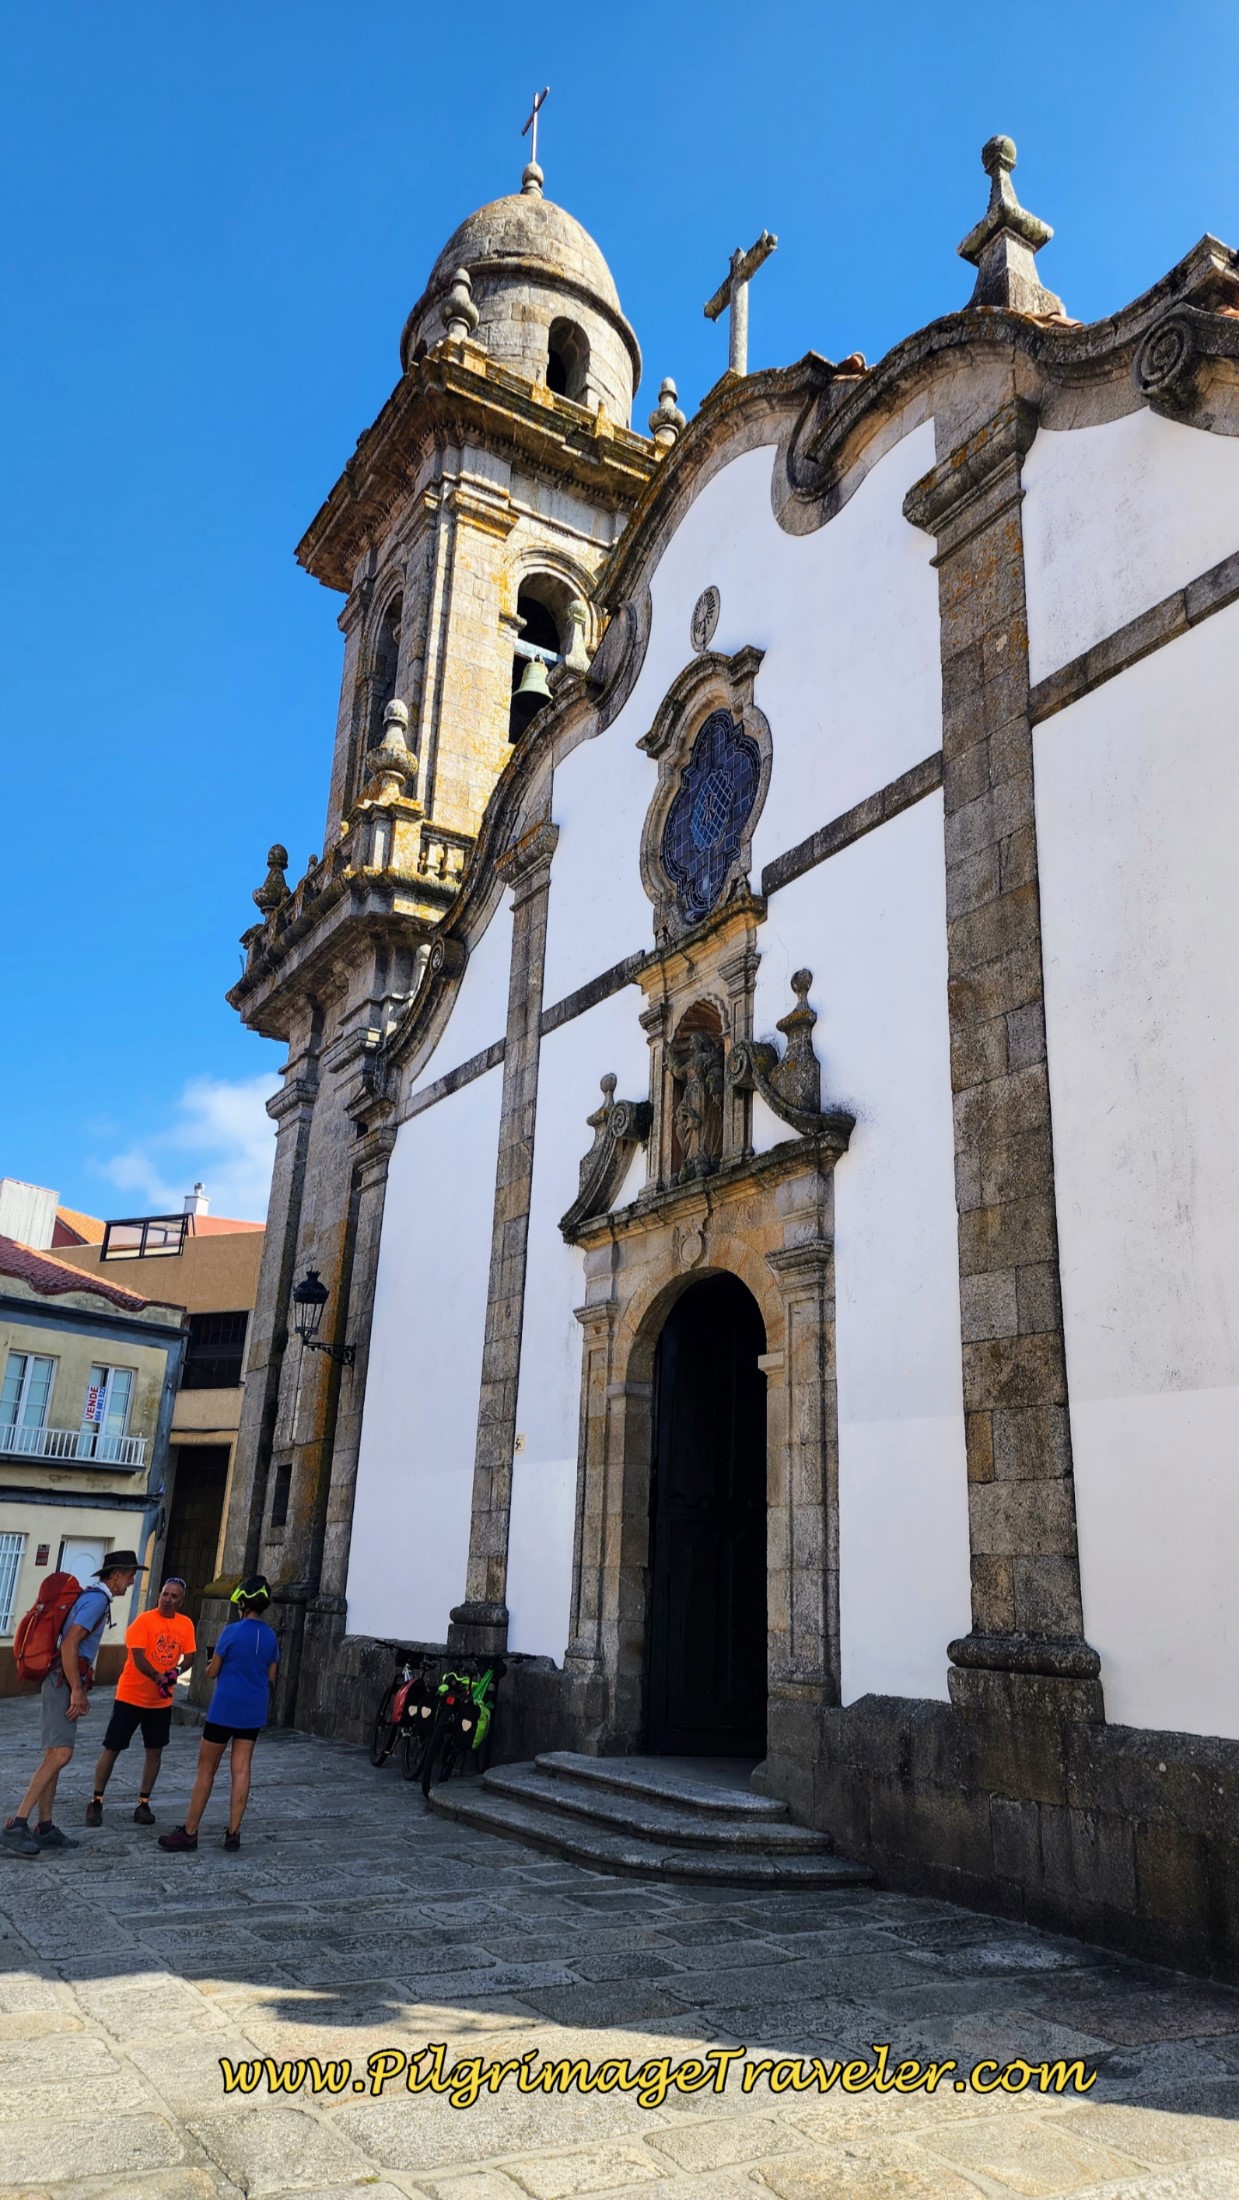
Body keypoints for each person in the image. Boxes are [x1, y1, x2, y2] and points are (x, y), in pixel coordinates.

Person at [1, 1549, 143, 1857]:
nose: (132, 1581)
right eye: (130, 1574)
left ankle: (45, 1827)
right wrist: (76, 1690)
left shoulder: (94, 1599)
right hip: (62, 1681)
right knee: (61, 1754)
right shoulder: (96, 1601)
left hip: (61, 1679)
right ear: (116, 1574)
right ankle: (17, 1824)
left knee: (56, 1754)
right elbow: (69, 1643)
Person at [159, 1576, 278, 1854]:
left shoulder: (231, 1632)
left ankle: (190, 1831)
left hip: (225, 1707)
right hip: (253, 1708)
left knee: (206, 1769)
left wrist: (212, 1664)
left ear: (243, 1605)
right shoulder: (270, 1636)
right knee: (242, 1768)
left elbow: (212, 1671)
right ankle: (234, 1832)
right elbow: (271, 1675)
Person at [86, 1576, 196, 1826]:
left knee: (154, 1751)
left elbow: (190, 1656)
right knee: (112, 1747)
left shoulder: (186, 1625)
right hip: (130, 1696)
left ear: (181, 1601)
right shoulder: (144, 1621)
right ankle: (96, 1800)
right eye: (165, 1594)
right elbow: (137, 1656)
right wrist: (158, 1676)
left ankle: (143, 1803)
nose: (168, 1600)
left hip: (160, 1702)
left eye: (174, 1596)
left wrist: (176, 1672)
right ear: (159, 1594)